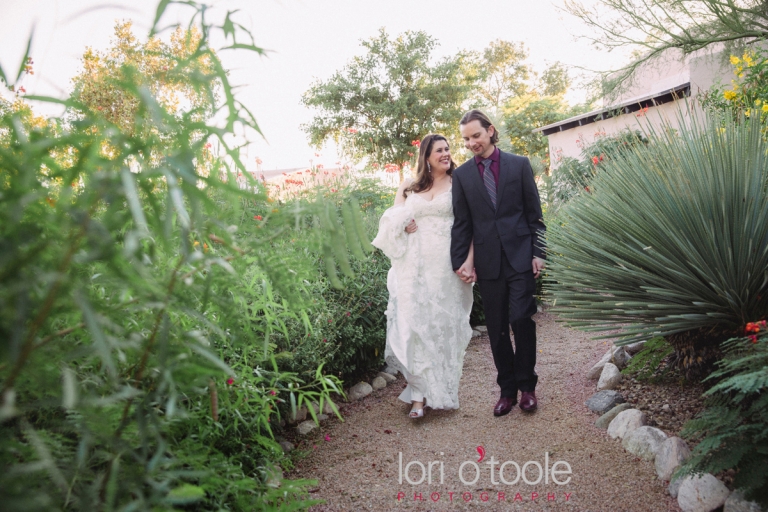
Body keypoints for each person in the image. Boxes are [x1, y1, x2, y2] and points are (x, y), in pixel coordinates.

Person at [450, 109, 546, 417]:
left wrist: (539, 252)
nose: (471, 143)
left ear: (490, 131)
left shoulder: (519, 166)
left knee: (521, 319)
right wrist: (459, 262)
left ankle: (527, 388)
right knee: (496, 329)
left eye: (476, 135)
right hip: (488, 263)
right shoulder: (462, 176)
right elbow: (462, 222)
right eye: (466, 139)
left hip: (520, 257)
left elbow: (535, 216)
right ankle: (507, 391)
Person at [372, 134, 474, 419]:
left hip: (446, 265)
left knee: (441, 327)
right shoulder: (409, 186)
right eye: (439, 150)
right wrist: (404, 223)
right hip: (414, 266)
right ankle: (418, 396)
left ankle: (442, 390)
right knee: (414, 326)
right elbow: (392, 220)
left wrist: (468, 262)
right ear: (426, 156)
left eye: (447, 149)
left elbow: (472, 225)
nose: (446, 153)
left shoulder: (460, 182)